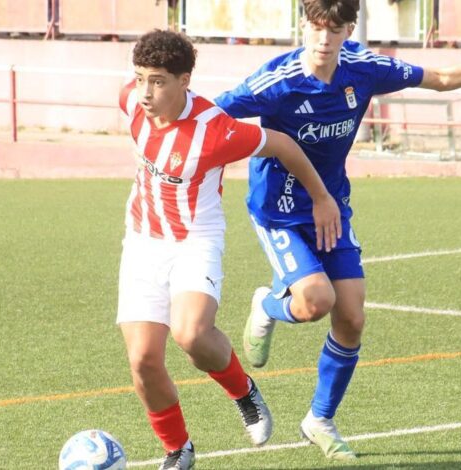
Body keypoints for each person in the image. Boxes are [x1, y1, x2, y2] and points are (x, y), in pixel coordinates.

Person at [214, 0, 461, 461]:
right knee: (315, 303)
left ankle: (319, 420)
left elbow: (438, 79)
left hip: (333, 209)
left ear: (349, 29)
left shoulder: (363, 68)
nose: (325, 39)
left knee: (353, 317)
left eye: (336, 29)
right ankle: (266, 304)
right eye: (317, 28)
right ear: (304, 26)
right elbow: (213, 113)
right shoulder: (275, 82)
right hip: (279, 211)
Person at [116, 29, 341, 470]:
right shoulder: (130, 101)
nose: (145, 91)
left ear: (184, 81)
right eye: (140, 77)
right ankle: (178, 451)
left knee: (192, 334)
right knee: (142, 359)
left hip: (195, 241)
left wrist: (320, 197)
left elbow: (282, 144)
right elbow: (136, 98)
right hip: (142, 240)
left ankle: (244, 392)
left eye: (158, 81)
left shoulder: (215, 131)